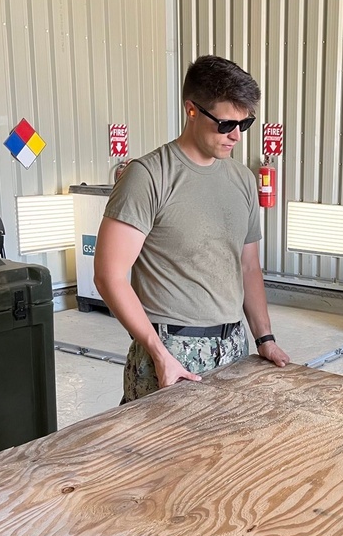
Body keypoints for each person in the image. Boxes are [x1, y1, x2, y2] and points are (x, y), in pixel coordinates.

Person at [94, 54, 289, 403]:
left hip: (233, 347)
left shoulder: (243, 180)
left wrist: (264, 338)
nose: (236, 137)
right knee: (161, 454)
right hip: (170, 350)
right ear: (192, 110)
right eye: (226, 124)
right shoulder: (149, 177)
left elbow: (247, 266)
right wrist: (157, 353)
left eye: (244, 125)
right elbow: (109, 276)